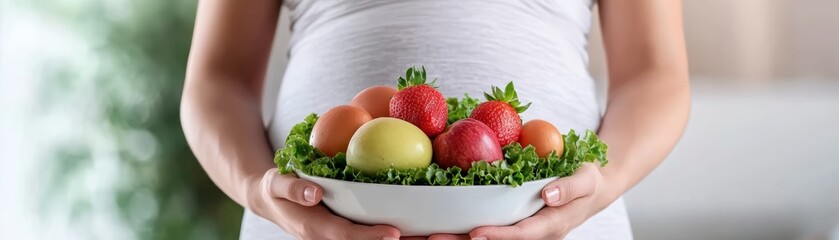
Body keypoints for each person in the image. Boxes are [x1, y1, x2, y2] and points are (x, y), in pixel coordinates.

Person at [181, 0, 689, 239]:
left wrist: (602, 184)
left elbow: (655, 75)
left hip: (567, 228)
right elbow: (216, 80)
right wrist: (255, 188)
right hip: (304, 230)